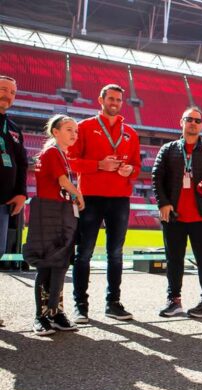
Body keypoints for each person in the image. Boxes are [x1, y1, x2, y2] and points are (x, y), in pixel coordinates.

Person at [69, 83, 141, 323]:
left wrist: (130, 170)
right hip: (90, 196)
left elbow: (137, 166)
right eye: (110, 98)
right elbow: (71, 160)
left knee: (116, 253)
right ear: (101, 99)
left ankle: (113, 303)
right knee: (84, 253)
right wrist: (99, 165)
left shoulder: (130, 132)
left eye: (119, 100)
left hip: (120, 199)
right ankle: (80, 305)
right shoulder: (85, 127)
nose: (114, 103)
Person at [152, 107, 202, 318]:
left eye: (197, 120)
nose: (193, 123)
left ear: (201, 124)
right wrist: (163, 203)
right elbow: (156, 177)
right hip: (174, 214)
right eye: (189, 119)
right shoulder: (168, 150)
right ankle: (174, 300)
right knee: (174, 259)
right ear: (182, 122)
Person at [23, 115, 84, 335]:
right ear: (55, 131)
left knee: (60, 263)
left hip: (61, 212)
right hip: (49, 212)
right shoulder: (51, 152)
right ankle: (41, 316)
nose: (73, 134)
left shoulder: (62, 154)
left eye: (76, 131)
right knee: (47, 263)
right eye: (69, 129)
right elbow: (63, 182)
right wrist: (79, 195)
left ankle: (56, 313)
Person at [0, 75, 27, 327]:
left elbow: (21, 163)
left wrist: (21, 193)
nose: (7, 95)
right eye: (3, 89)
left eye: (12, 92)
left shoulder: (14, 129)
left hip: (3, 203)